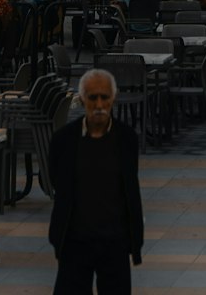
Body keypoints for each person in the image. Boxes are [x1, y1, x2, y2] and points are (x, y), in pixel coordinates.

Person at [48, 68, 144, 294]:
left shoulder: (126, 138)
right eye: (93, 98)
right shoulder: (64, 140)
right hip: (75, 240)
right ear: (82, 99)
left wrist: (133, 238)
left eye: (105, 97)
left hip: (114, 241)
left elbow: (129, 186)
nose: (99, 104)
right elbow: (57, 181)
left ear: (113, 98)